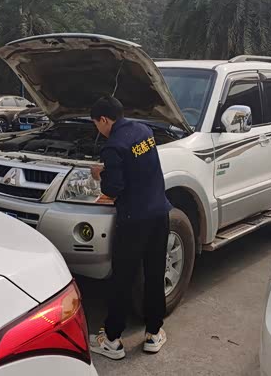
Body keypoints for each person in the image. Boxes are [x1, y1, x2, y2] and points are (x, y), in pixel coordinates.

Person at [88, 95, 172, 360]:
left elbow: (113, 189)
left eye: (96, 124)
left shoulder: (113, 147)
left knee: (122, 279)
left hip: (134, 221)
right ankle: (154, 333)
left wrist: (100, 174)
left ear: (104, 120)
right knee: (155, 273)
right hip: (159, 214)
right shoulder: (144, 131)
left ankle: (112, 340)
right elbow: (140, 166)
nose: (97, 130)